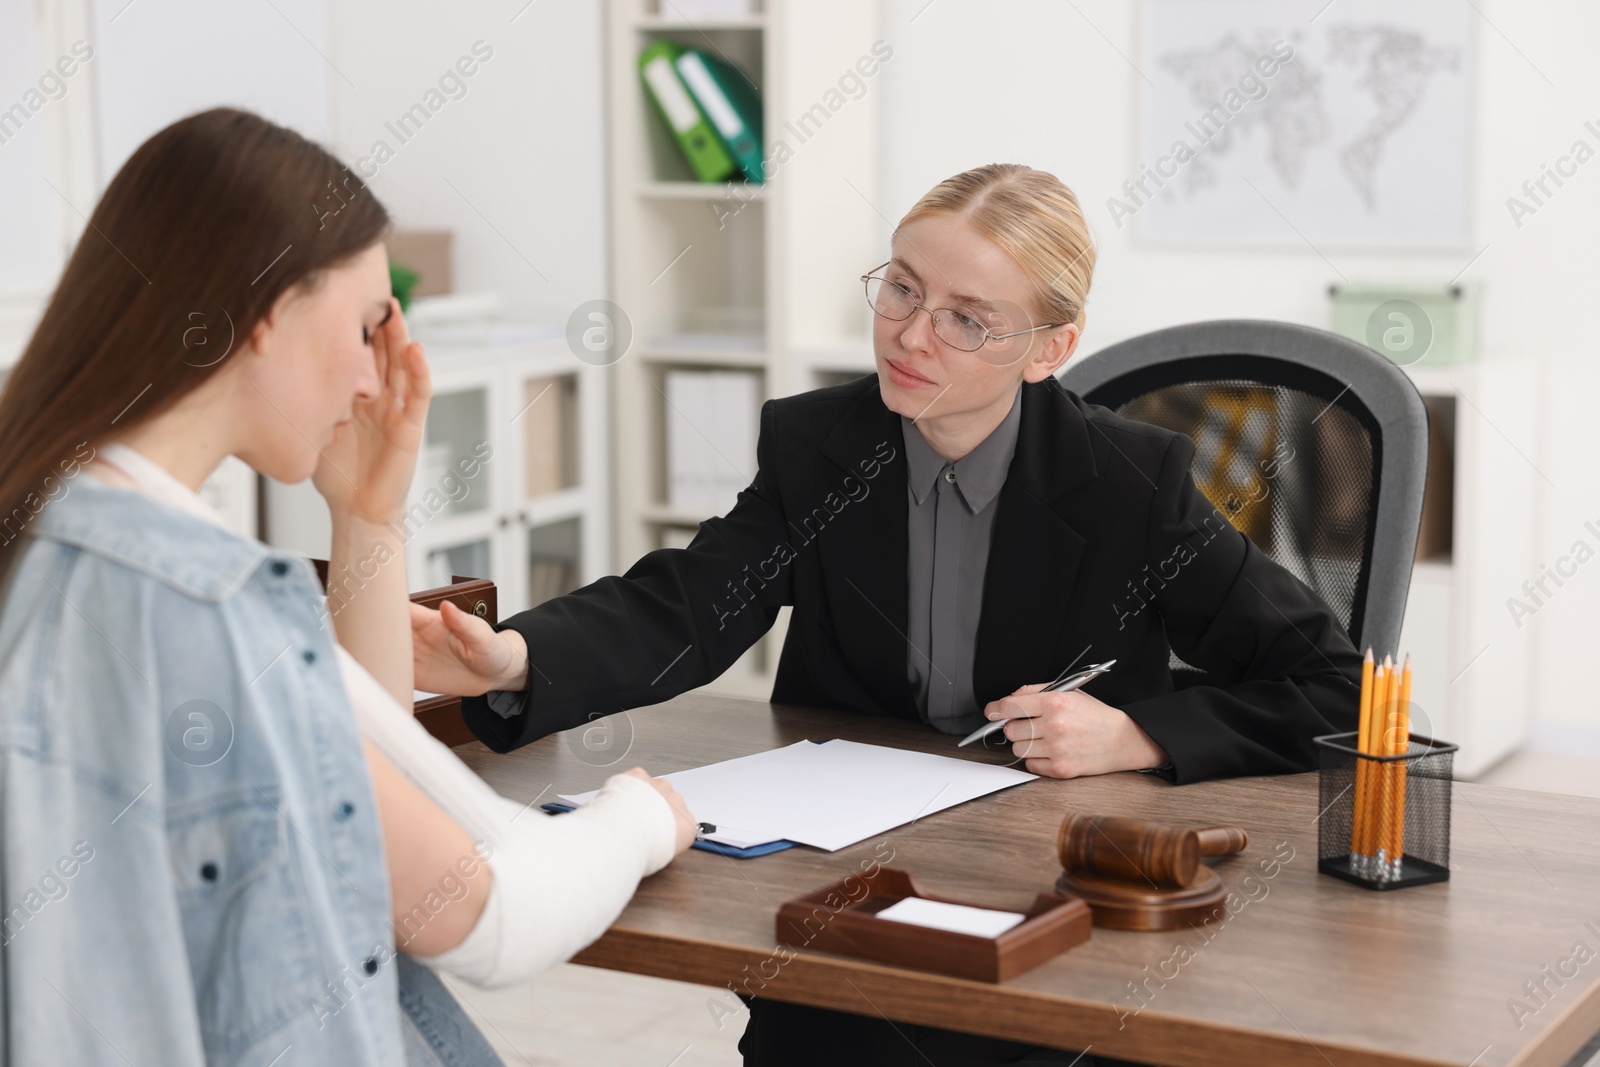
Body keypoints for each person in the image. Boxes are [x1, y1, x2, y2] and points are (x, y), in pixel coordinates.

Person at [411, 164, 1363, 1065]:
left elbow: (1335, 688)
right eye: (902, 290)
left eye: (966, 320)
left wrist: (1140, 735)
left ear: (1049, 350)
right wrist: (514, 659)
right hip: (852, 875)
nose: (911, 336)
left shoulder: (1130, 483)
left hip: (1053, 893)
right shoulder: (817, 441)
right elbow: (694, 603)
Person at [0, 107, 695, 1067]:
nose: (378, 378)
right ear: (269, 314)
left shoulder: (45, 525)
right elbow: (493, 915)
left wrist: (367, 517)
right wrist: (641, 818)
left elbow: (353, 796)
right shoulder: (199, 598)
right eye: (369, 325)